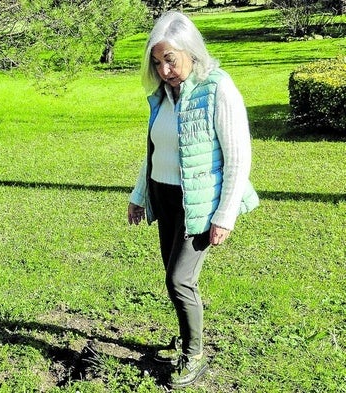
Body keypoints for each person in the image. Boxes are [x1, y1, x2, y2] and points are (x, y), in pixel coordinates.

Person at [127, 10, 259, 389]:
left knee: (179, 278)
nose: (164, 69)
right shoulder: (163, 96)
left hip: (198, 201)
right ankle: (187, 336)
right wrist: (139, 196)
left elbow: (238, 157)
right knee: (176, 279)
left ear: (190, 51)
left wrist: (225, 215)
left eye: (170, 59)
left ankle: (194, 352)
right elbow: (157, 150)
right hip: (163, 195)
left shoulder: (218, 87)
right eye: (157, 61)